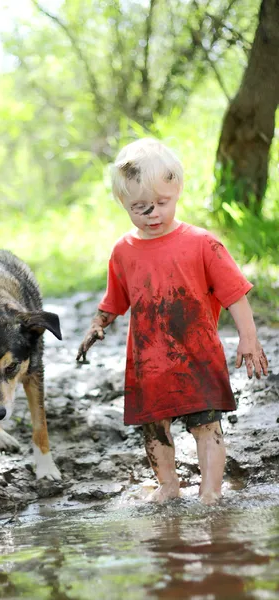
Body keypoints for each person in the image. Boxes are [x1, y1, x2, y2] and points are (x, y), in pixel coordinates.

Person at [76, 137, 269, 505]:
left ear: (176, 189)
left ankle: (210, 491)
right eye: (139, 207)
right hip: (148, 363)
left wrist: (249, 338)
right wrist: (97, 325)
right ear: (123, 203)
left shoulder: (202, 243)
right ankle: (168, 485)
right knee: (154, 430)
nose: (152, 214)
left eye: (161, 203)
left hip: (197, 355)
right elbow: (114, 300)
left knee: (206, 425)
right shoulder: (123, 251)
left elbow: (235, 294)